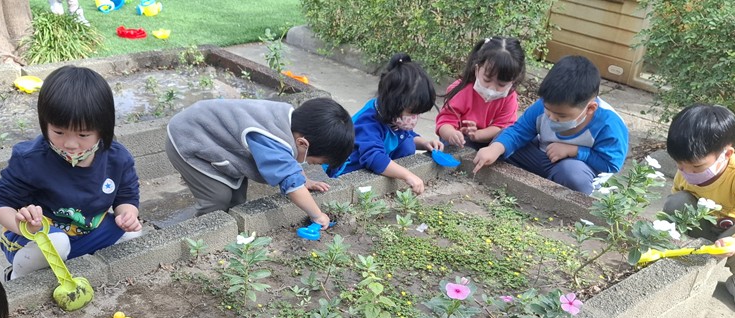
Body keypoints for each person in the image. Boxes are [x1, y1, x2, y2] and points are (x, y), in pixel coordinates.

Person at [0, 65, 142, 281]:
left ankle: (75, 268)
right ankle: (17, 279)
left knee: (133, 233)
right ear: (45, 123)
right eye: (58, 132)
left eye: (83, 134)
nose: (70, 144)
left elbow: (126, 197)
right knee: (58, 242)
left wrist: (127, 215)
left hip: (87, 232)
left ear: (103, 128)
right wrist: (25, 226)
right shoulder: (30, 159)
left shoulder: (117, 158)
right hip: (39, 237)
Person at [165, 97, 354, 228]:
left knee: (237, 199)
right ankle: (202, 233)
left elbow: (290, 165)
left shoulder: (292, 122)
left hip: (212, 135)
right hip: (188, 138)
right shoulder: (271, 139)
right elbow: (291, 183)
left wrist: (305, 180)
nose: (307, 164)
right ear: (302, 143)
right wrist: (317, 215)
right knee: (217, 198)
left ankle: (227, 228)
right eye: (312, 162)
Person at [663, 104, 735, 316]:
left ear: (726, 154)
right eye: (679, 165)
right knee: (677, 202)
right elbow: (676, 202)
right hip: (704, 229)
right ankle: (688, 251)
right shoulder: (685, 171)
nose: (687, 172)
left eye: (697, 167)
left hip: (732, 236)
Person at [473, 55, 629, 195]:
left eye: (561, 116)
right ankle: (547, 181)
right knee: (501, 139)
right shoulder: (543, 105)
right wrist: (496, 148)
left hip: (576, 168)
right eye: (548, 111)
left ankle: (572, 190)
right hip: (542, 157)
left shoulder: (609, 125)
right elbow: (519, 131)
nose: (552, 118)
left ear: (590, 109)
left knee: (572, 174)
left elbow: (611, 163)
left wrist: (575, 151)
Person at [331, 53, 442, 194]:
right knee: (401, 149)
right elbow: (374, 157)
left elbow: (405, 135)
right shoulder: (367, 123)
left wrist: (425, 143)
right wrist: (407, 175)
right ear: (393, 103)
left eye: (418, 113)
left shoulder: (391, 115)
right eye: (412, 112)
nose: (415, 118)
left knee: (407, 144)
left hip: (370, 166)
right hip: (349, 172)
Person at [436, 37, 526, 149]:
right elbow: (445, 122)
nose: (492, 89)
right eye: (487, 80)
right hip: (459, 139)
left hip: (488, 141)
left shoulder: (509, 98)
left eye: (501, 85)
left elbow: (502, 127)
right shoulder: (461, 89)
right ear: (477, 69)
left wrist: (478, 135)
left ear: (513, 81)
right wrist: (451, 134)